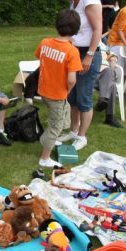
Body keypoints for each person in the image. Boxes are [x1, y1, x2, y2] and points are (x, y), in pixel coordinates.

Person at [50, 0, 119, 151]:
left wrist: (89, 55)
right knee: (72, 97)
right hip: (74, 52)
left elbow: (97, 30)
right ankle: (73, 131)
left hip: (88, 53)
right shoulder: (74, 2)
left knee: (84, 98)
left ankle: (82, 137)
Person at [36, 9, 82, 169]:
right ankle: (44, 158)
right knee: (55, 127)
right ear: (76, 30)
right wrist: (68, 90)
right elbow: (72, 79)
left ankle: (49, 138)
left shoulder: (45, 42)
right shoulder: (72, 51)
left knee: (62, 115)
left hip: (43, 90)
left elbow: (40, 57)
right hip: (57, 94)